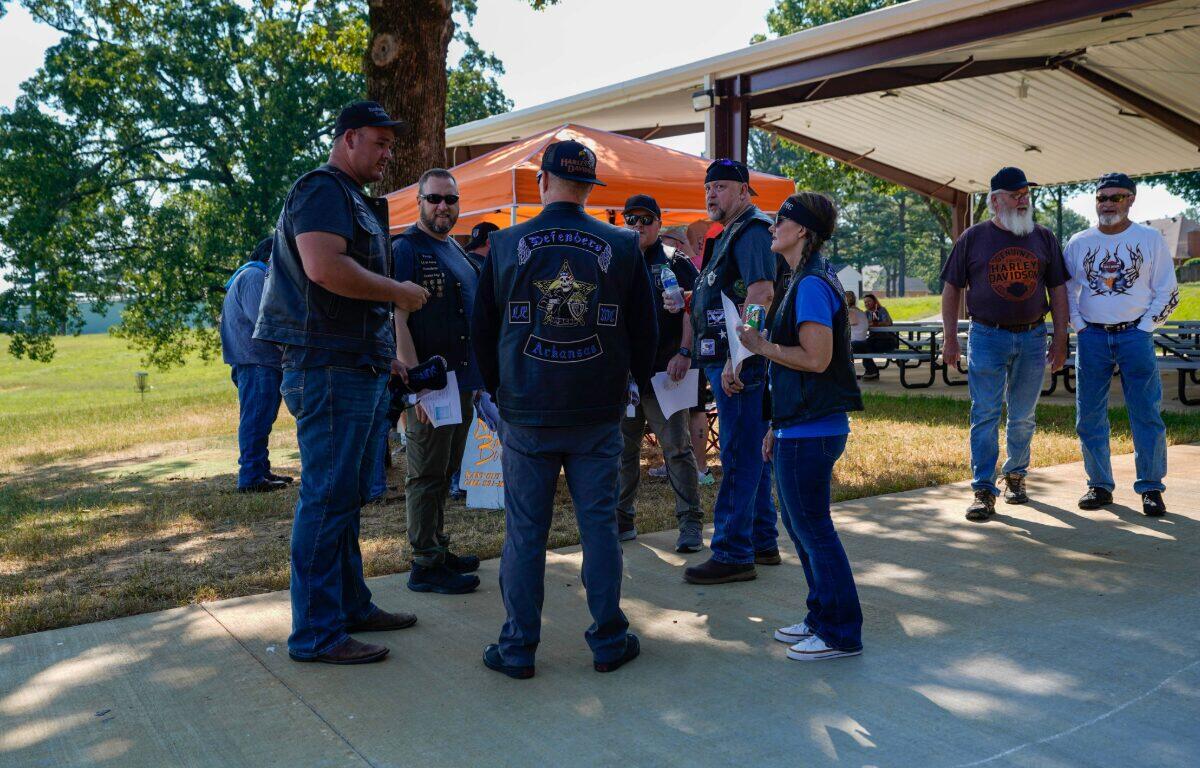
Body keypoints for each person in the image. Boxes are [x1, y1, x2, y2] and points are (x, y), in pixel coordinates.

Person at [472, 139, 657, 679]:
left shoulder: (505, 245)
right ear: (589, 189)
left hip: (526, 410)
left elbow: (482, 331)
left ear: (541, 182)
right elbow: (644, 333)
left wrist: (495, 392)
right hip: (597, 409)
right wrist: (629, 382)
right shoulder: (623, 244)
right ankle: (607, 639)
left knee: (525, 532)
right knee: (599, 528)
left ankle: (518, 649)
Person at [255, 101, 430, 665]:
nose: (387, 154)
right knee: (328, 500)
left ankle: (351, 606)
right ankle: (315, 634)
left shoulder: (349, 196)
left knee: (346, 499)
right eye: (379, 143)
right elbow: (324, 269)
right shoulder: (322, 189)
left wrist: (388, 357)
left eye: (389, 144)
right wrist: (397, 292)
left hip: (353, 363)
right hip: (327, 367)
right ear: (348, 139)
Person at [737, 192, 864, 661]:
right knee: (801, 525)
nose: (773, 226)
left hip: (813, 429)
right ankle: (820, 617)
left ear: (803, 231)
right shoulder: (801, 278)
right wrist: (775, 424)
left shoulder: (810, 284)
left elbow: (817, 358)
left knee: (814, 528)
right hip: (799, 425)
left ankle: (841, 632)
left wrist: (759, 345)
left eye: (780, 219)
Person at [940, 166, 1068, 523]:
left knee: (1023, 416)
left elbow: (1057, 289)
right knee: (985, 413)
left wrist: (1061, 338)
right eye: (1015, 195)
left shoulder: (1043, 237)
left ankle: (1016, 475)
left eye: (1026, 194)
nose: (1023, 200)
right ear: (996, 201)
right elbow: (951, 289)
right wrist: (950, 338)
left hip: (1032, 336)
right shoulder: (973, 237)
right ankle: (983, 489)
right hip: (986, 335)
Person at [684, 159, 779, 585]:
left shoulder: (753, 230)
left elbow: (761, 292)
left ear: (743, 192)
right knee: (749, 453)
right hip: (727, 362)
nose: (711, 195)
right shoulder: (730, 233)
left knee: (738, 457)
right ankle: (761, 541)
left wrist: (739, 354)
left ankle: (733, 552)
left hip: (739, 367)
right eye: (708, 187)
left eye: (720, 186)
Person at [391, 168, 484, 593]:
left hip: (461, 382)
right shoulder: (406, 249)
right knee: (425, 473)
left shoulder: (459, 252)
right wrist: (416, 387)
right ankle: (424, 564)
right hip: (430, 384)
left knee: (445, 470)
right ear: (420, 202)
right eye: (435, 199)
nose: (443, 206)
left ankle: (437, 547)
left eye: (450, 199)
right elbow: (397, 317)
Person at [1065, 173, 1178, 517]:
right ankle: (1099, 485)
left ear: (1131, 200)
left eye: (1116, 197)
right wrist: (1079, 325)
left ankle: (1151, 487)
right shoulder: (1079, 242)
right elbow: (1066, 291)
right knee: (1089, 414)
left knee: (1145, 412)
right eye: (1102, 198)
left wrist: (1144, 327)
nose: (1108, 204)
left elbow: (1167, 290)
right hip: (1092, 337)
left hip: (1135, 335)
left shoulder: (1149, 239)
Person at [615, 194, 704, 553]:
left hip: (666, 373)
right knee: (622, 452)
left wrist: (685, 351)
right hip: (625, 378)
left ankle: (691, 524)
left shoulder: (675, 260)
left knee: (678, 450)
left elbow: (694, 309)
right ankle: (621, 522)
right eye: (631, 219)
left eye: (646, 220)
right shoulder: (616, 260)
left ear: (659, 222)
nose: (638, 227)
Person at [221, 236, 291, 493]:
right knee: (256, 418)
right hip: (257, 361)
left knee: (261, 417)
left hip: (256, 361)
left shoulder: (248, 275)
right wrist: (289, 347)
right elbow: (265, 322)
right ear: (271, 256)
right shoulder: (253, 277)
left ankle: (260, 469)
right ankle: (251, 476)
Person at [845, 291, 874, 379]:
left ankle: (846, 374)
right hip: (863, 343)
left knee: (837, 348)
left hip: (856, 343)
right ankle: (872, 370)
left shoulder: (850, 312)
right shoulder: (860, 311)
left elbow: (850, 324)